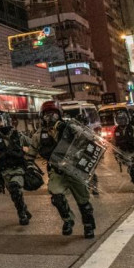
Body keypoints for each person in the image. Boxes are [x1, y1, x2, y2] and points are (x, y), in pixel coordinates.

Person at [28, 102, 95, 238]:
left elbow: (90, 137)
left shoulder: (70, 127)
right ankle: (68, 220)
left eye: (53, 113)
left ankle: (88, 225)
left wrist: (70, 129)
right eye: (47, 114)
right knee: (57, 197)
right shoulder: (39, 135)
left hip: (74, 169)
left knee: (84, 202)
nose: (50, 117)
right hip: (57, 171)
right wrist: (29, 167)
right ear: (42, 116)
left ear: (60, 114)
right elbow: (31, 154)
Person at [0, 112, 33, 226]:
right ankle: (23, 208)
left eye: (1, 121)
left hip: (18, 168)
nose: (0, 124)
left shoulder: (18, 134)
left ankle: (22, 214)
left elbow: (33, 145)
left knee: (15, 187)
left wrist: (27, 149)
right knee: (14, 194)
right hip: (4, 170)